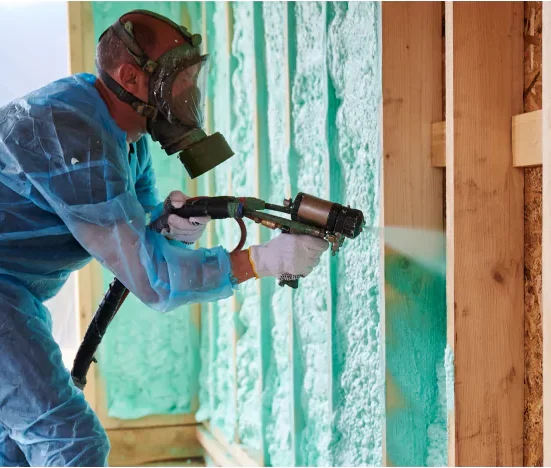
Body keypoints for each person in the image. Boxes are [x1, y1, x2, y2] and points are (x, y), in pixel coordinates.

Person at [0, 10, 328, 466]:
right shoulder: (75, 134)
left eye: (192, 76)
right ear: (131, 77)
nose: (188, 92)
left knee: (15, 448)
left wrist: (172, 225)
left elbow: (141, 229)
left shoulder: (125, 135)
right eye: (178, 79)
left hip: (15, 294)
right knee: (71, 443)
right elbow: (152, 278)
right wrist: (259, 262)